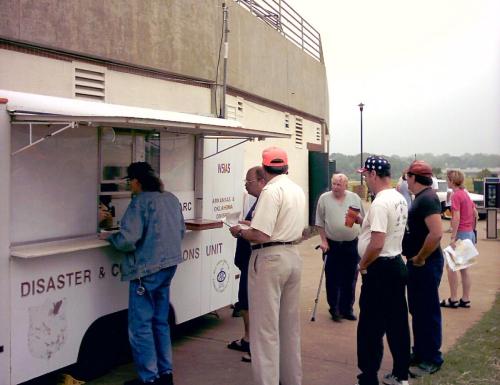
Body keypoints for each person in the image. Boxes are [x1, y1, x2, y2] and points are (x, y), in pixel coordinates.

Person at [100, 162, 185, 385]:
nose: (130, 187)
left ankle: (149, 378)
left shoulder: (139, 203)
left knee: (141, 327)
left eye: (130, 182)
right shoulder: (171, 199)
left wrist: (110, 237)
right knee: (160, 322)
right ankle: (166, 374)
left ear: (136, 181)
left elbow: (128, 240)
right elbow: (181, 231)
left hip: (145, 271)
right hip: (168, 267)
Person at [229, 146, 305, 385]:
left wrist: (241, 231)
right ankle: (291, 379)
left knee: (265, 329)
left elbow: (260, 234)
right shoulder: (296, 189)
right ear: (286, 166)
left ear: (264, 168)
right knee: (288, 327)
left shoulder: (271, 191)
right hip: (292, 254)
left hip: (269, 257)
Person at [356, 156, 410, 385]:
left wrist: (363, 265)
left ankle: (368, 376)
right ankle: (401, 373)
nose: (365, 180)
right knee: (397, 322)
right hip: (396, 263)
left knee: (370, 325)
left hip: (380, 268)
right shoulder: (399, 197)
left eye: (366, 175)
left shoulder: (379, 202)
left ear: (374, 175)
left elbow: (377, 243)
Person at [402, 161, 444, 377]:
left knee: (427, 311)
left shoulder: (427, 199)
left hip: (426, 263)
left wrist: (420, 257)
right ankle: (419, 352)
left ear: (413, 177)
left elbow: (436, 233)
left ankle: (432, 358)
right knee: (417, 311)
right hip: (418, 263)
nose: (405, 179)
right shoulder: (421, 198)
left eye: (407, 176)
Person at [227, 166, 266, 362]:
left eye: (248, 182)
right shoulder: (258, 200)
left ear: (261, 181)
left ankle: (253, 344)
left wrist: (241, 229)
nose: (246, 185)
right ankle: (248, 339)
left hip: (255, 261)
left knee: (250, 301)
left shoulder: (266, 201)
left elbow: (262, 231)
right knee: (244, 300)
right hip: (247, 261)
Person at [315, 173, 364, 321]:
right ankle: (334, 309)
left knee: (350, 278)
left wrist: (358, 219)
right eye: (334, 184)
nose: (335, 187)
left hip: (351, 244)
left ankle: (347, 309)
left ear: (345, 186)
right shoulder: (324, 199)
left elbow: (363, 220)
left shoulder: (354, 198)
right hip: (332, 245)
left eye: (339, 184)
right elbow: (319, 222)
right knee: (333, 278)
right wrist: (323, 241)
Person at [440, 169, 478, 309]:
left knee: (451, 266)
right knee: (464, 268)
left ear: (451, 180)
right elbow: (475, 213)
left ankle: (454, 298)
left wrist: (453, 236)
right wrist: (472, 229)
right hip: (469, 233)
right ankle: (465, 299)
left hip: (461, 234)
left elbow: (456, 217)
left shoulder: (456, 196)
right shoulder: (466, 194)